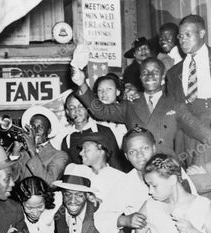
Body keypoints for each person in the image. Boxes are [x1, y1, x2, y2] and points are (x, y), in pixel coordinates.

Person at [72, 57, 211, 160]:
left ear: (163, 76)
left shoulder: (174, 104)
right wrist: (81, 83)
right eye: (145, 72)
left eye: (155, 72)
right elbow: (100, 110)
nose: (150, 76)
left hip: (167, 168)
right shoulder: (130, 104)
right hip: (139, 167)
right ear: (140, 78)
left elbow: (199, 130)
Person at [166, 14, 211, 199]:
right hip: (184, 137)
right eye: (180, 36)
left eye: (187, 34)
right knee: (188, 190)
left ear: (202, 33)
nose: (182, 39)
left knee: (204, 184)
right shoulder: (173, 72)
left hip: (208, 132)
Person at [61, 93, 126, 171]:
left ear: (88, 109)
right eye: (72, 108)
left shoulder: (105, 131)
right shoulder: (67, 140)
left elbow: (116, 163)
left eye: (81, 106)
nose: (77, 110)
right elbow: (69, 170)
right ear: (67, 112)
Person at [11, 106, 68, 186]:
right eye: (33, 127)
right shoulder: (23, 154)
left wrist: (33, 150)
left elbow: (50, 183)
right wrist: (15, 152)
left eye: (40, 127)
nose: (36, 131)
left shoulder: (60, 155)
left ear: (49, 131)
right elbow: (12, 179)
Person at [92, 74, 128, 148]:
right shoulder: (92, 116)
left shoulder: (127, 110)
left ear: (117, 92)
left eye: (109, 89)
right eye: (100, 90)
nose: (104, 93)